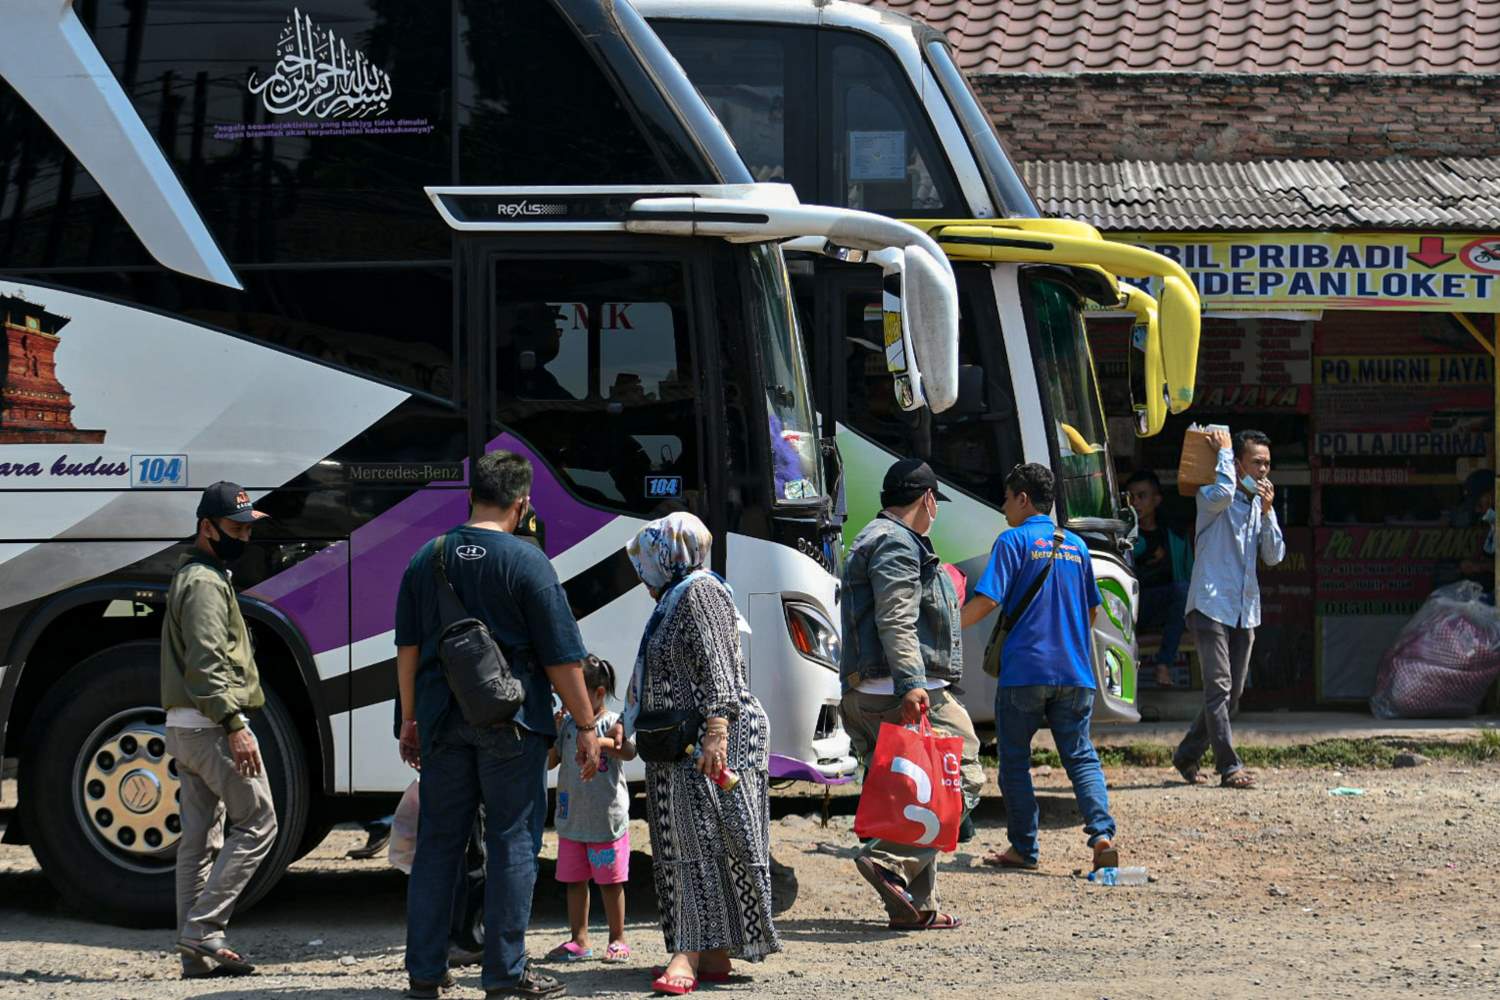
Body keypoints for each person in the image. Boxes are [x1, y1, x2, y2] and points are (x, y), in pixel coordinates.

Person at [395, 450, 601, 1000]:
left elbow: (408, 650)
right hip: (513, 723)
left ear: (470, 496)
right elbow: (562, 658)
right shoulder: (528, 563)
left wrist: (409, 719)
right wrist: (585, 725)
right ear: (523, 502)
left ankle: (425, 973)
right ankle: (504, 975)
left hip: (441, 722)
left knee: (439, 842)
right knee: (512, 842)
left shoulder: (426, 557)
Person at [624, 512, 781, 994]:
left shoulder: (699, 591)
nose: (642, 577)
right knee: (690, 842)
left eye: (646, 563)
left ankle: (687, 955)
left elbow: (720, 670)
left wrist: (716, 732)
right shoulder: (679, 594)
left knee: (698, 845)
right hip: (684, 743)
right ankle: (713, 952)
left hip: (710, 740)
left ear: (667, 555)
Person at [839, 459, 984, 930]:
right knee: (962, 779)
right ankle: (890, 861)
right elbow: (895, 619)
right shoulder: (898, 545)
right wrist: (911, 684)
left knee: (912, 793)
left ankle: (916, 907)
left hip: (868, 691)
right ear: (927, 500)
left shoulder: (871, 537)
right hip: (899, 690)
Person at [961, 463, 1118, 872]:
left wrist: (944, 625)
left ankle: (1024, 849)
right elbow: (1093, 612)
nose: (1003, 506)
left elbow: (988, 600)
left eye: (1007, 498)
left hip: (1025, 671)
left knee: (1014, 760)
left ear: (1023, 498)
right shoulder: (1076, 546)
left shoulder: (1011, 541)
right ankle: (1101, 836)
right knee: (1081, 756)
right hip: (1075, 674)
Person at [161, 481, 277, 979]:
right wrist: (235, 724)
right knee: (259, 822)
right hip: (210, 726)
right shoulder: (205, 583)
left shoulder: (194, 575)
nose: (244, 538)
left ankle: (195, 954)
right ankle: (204, 930)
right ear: (206, 527)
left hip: (184, 728)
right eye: (234, 528)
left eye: (248, 529)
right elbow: (207, 666)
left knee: (199, 841)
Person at [1172, 429, 1285, 790]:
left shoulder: (1257, 504)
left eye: (1267, 464)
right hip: (1209, 603)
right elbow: (1222, 493)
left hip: (1243, 609)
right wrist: (1221, 452)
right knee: (1219, 687)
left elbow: (1273, 555)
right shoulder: (1211, 495)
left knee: (1231, 694)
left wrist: (1268, 513)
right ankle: (1229, 766)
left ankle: (1187, 754)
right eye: (1256, 463)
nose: (1264, 470)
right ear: (1238, 465)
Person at [545, 655, 634, 965]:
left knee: (610, 883)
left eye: (577, 692)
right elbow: (551, 761)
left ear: (597, 693)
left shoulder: (611, 723)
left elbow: (630, 751)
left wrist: (603, 743)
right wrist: (552, 734)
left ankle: (617, 938)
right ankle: (578, 939)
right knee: (574, 881)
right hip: (572, 821)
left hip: (605, 822)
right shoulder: (569, 725)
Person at [1125, 469, 1194, 688]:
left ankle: (1164, 664)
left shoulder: (1174, 534)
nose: (1135, 502)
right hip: (1132, 608)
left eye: (1141, 496)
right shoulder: (1122, 535)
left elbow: (1189, 576)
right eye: (1130, 497)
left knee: (1183, 591)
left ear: (1156, 499)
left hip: (1167, 609)